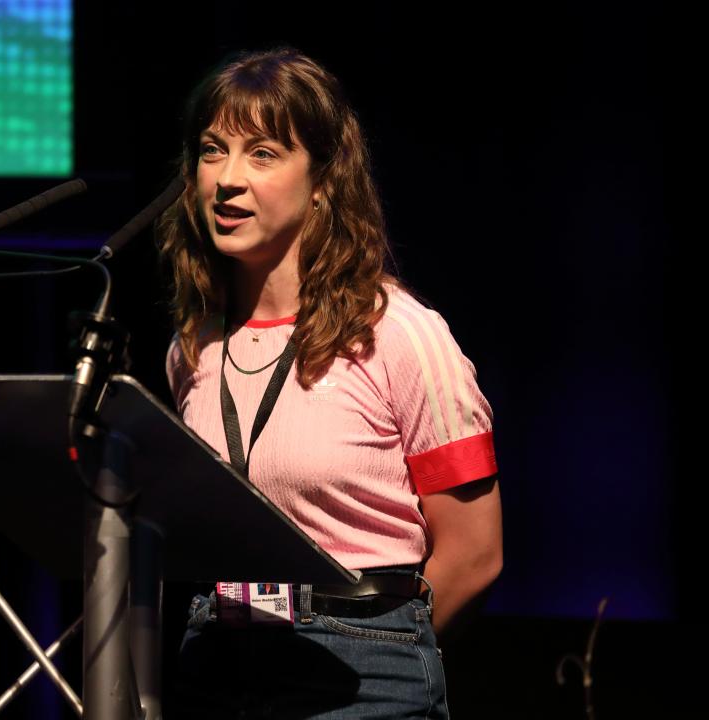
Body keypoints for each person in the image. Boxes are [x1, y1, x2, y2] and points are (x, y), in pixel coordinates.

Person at [156, 48, 503, 718]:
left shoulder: (400, 332)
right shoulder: (192, 347)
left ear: (321, 178)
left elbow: (475, 553)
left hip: (360, 668)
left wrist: (385, 648)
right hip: (214, 660)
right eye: (211, 150)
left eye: (261, 153)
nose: (226, 179)